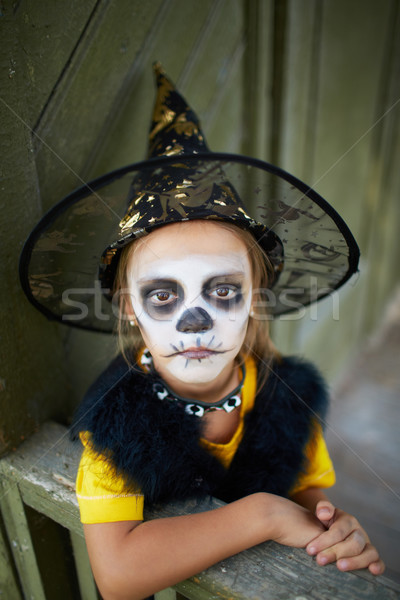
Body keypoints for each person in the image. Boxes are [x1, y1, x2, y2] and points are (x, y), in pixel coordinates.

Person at [20, 64, 384, 600]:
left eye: (223, 291)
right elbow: (118, 575)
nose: (196, 321)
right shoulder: (119, 424)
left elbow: (310, 497)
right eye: (163, 296)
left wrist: (335, 530)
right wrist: (261, 514)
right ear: (130, 309)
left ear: (254, 297)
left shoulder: (290, 396)